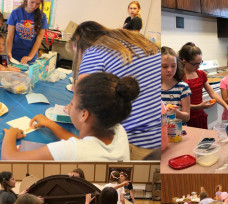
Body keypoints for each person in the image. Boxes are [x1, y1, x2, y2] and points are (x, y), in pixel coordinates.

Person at [68, 21, 160, 159]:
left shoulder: (94, 51)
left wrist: (71, 107)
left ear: (80, 46)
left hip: (136, 142)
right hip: (163, 136)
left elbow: (81, 95)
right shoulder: (134, 40)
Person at [1, 72, 139, 161]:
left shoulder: (72, 151)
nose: (68, 107)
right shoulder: (118, 130)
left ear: (84, 114)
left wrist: (10, 134)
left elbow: (11, 157)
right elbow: (83, 144)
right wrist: (49, 123)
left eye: (72, 103)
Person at [178, 42, 228, 129]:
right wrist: (199, 106)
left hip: (200, 116)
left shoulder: (201, 74)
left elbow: (212, 93)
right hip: (185, 118)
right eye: (195, 64)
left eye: (200, 63)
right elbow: (178, 105)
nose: (198, 66)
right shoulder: (179, 77)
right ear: (184, 62)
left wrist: (226, 106)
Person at [161, 46, 191, 122]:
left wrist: (175, 112)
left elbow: (187, 117)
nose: (169, 70)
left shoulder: (183, 87)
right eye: (165, 66)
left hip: (177, 131)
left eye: (173, 66)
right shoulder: (153, 87)